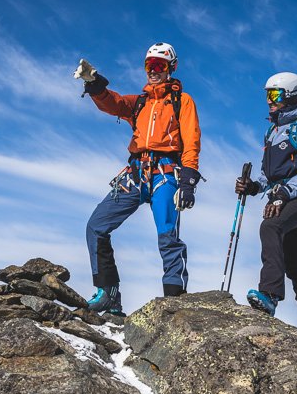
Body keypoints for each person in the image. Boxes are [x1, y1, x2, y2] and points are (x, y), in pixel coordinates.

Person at [73, 43, 202, 316]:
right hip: (135, 173)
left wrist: (188, 179)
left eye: (160, 66)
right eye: (149, 66)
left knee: (168, 237)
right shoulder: (139, 102)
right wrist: (94, 84)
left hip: (166, 174)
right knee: (96, 226)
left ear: (171, 68)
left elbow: (191, 140)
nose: (153, 71)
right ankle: (108, 294)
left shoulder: (182, 101)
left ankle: (174, 302)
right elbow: (114, 104)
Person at [235, 71, 297, 348]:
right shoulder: (274, 131)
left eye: (274, 95)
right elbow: (270, 175)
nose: (269, 101)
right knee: (296, 265)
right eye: (267, 95)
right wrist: (253, 187)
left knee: (271, 227)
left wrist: (286, 191)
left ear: (290, 95)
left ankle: (269, 294)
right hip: (282, 197)